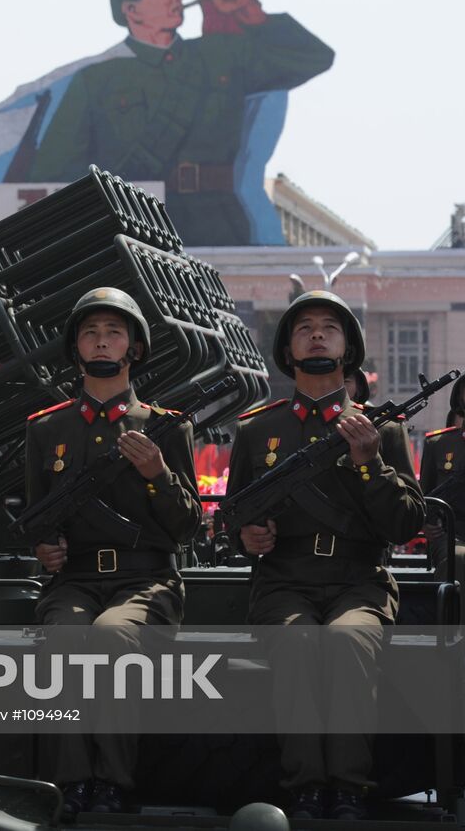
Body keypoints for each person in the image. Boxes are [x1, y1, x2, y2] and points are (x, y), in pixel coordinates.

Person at [226, 290, 424, 821]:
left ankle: (349, 788)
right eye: (304, 327)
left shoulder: (381, 429)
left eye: (329, 327)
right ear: (288, 351)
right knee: (295, 643)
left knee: (343, 642)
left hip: (358, 581)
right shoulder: (257, 429)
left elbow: (406, 522)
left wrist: (368, 463)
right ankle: (308, 788)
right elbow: (232, 516)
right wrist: (248, 537)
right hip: (284, 581)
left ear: (348, 350)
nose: (316, 333)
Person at [25, 287, 201, 818]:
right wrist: (44, 549)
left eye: (114, 332)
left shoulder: (167, 426)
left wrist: (157, 474)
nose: (101, 343)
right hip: (75, 582)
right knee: (63, 639)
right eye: (90, 333)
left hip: (146, 581)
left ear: (135, 348)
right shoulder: (46, 428)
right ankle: (70, 784)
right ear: (76, 347)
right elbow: (36, 518)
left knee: (112, 637)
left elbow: (189, 525)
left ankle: (113, 784)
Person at [24, 0, 334, 246]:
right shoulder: (97, 80)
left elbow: (314, 58)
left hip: (217, 222)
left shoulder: (220, 54)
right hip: (132, 224)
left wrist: (251, 13)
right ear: (132, 10)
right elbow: (54, 171)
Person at [418, 380, 465, 580]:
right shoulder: (439, 444)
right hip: (452, 533)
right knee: (458, 558)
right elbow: (424, 496)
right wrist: (427, 523)